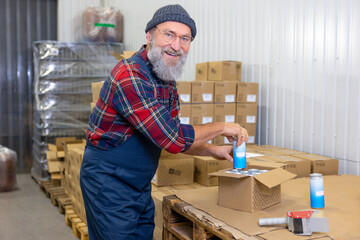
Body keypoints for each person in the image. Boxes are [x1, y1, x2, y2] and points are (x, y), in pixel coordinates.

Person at [80, 4, 248, 240]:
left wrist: (214, 150)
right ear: (149, 35)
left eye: (185, 38)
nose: (176, 45)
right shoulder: (129, 75)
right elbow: (172, 137)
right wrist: (221, 127)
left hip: (138, 184)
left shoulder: (165, 80)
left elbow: (171, 136)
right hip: (108, 183)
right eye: (169, 34)